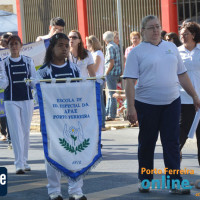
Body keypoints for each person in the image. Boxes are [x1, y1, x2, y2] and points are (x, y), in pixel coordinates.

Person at [123, 15, 200, 194]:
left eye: (158, 26)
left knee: (171, 143)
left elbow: (182, 75)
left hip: (172, 103)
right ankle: (145, 180)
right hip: (146, 104)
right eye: (151, 28)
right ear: (143, 31)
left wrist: (195, 95)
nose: (156, 30)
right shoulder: (137, 52)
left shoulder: (171, 47)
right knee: (147, 143)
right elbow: (129, 81)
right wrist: (131, 106)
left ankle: (175, 182)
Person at [36, 33, 87, 200]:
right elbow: (38, 97)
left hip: (72, 120)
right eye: (61, 45)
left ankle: (76, 191)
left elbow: (80, 91)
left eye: (67, 45)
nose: (65, 48)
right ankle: (54, 191)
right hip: (52, 122)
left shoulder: (74, 69)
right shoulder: (43, 72)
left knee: (75, 154)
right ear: (52, 48)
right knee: (53, 156)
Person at [0, 35, 36, 174]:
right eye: (11, 44)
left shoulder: (28, 61)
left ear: (21, 45)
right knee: (15, 132)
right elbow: (4, 84)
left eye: (16, 44)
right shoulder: (4, 62)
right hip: (11, 100)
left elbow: (35, 78)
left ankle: (25, 161)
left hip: (27, 99)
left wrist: (31, 81)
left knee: (26, 131)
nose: (14, 46)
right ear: (8, 47)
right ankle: (18, 163)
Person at [178, 22, 200, 165]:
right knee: (178, 140)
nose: (183, 36)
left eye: (186, 33)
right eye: (181, 34)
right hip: (183, 100)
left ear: (193, 34)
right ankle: (173, 174)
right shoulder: (176, 52)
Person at [86, 35, 105, 130]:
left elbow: (95, 68)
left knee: (99, 101)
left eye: (88, 44)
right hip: (95, 79)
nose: (86, 46)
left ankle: (102, 124)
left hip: (98, 79)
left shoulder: (97, 53)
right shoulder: (93, 53)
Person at [103, 31, 121, 121]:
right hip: (116, 72)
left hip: (111, 73)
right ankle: (108, 113)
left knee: (111, 94)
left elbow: (111, 62)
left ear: (105, 39)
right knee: (111, 93)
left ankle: (111, 114)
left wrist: (105, 73)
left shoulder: (109, 47)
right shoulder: (115, 45)